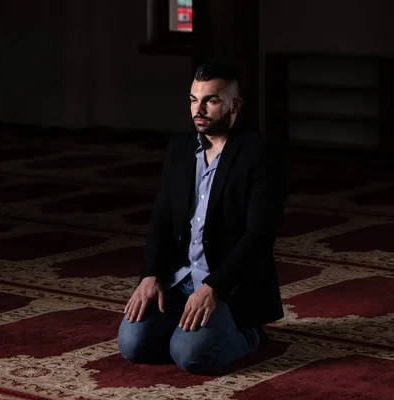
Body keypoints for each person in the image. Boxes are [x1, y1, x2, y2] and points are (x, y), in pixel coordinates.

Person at [117, 62, 289, 374]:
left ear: (234, 104)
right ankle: (189, 332)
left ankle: (249, 334)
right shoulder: (180, 149)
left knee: (191, 356)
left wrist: (213, 288)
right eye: (194, 99)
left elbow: (259, 236)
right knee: (132, 345)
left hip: (229, 286)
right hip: (181, 280)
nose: (199, 109)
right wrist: (150, 275)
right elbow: (162, 220)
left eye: (211, 100)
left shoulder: (261, 153)